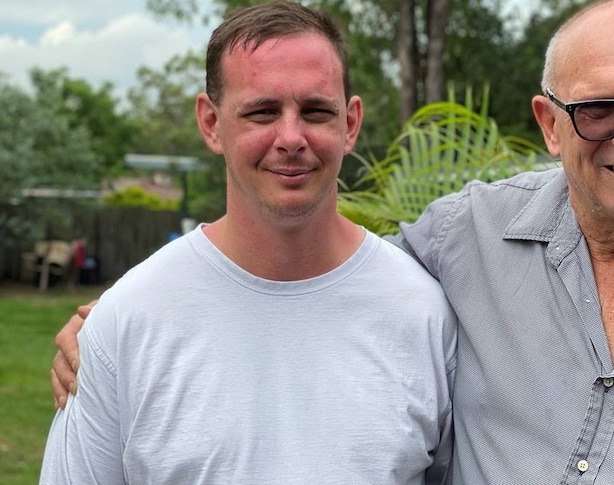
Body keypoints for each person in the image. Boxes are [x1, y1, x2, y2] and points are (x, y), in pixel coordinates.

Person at [51, 0, 614, 483]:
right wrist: (119, 324)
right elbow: (310, 279)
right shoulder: (461, 244)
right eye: (598, 111)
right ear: (549, 123)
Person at [39, 2, 456, 484]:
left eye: (317, 111)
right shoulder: (126, 323)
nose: (291, 137)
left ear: (351, 123)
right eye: (261, 112)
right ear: (212, 123)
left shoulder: (424, 314)